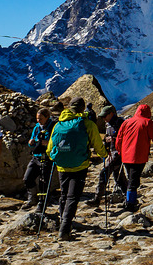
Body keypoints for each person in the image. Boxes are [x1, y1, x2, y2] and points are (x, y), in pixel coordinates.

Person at [46, 97, 106, 241]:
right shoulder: (87, 124)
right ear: (82, 108)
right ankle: (65, 230)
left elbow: (49, 149)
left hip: (62, 166)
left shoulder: (58, 124)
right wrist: (104, 154)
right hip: (80, 166)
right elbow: (97, 145)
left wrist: (56, 159)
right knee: (72, 197)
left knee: (64, 195)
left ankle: (63, 223)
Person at [116, 104, 153, 211]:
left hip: (126, 156)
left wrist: (120, 152)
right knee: (133, 181)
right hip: (138, 156)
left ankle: (129, 199)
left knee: (131, 178)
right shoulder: (148, 122)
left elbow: (119, 138)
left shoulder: (127, 122)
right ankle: (130, 203)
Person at [85, 105, 127, 207]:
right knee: (118, 177)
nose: (103, 118)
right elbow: (107, 138)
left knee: (104, 173)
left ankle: (97, 199)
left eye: (105, 116)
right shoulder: (108, 124)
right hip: (111, 153)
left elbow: (125, 138)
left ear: (111, 114)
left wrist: (114, 139)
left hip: (118, 153)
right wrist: (106, 142)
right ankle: (129, 197)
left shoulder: (120, 123)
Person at [23, 108, 55, 207]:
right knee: (27, 178)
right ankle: (32, 199)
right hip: (36, 157)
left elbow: (58, 142)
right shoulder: (36, 128)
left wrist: (49, 143)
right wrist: (31, 143)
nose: (38, 121)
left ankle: (42, 203)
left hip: (47, 158)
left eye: (40, 118)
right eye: (37, 118)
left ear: (47, 117)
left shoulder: (53, 127)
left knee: (44, 182)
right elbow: (32, 143)